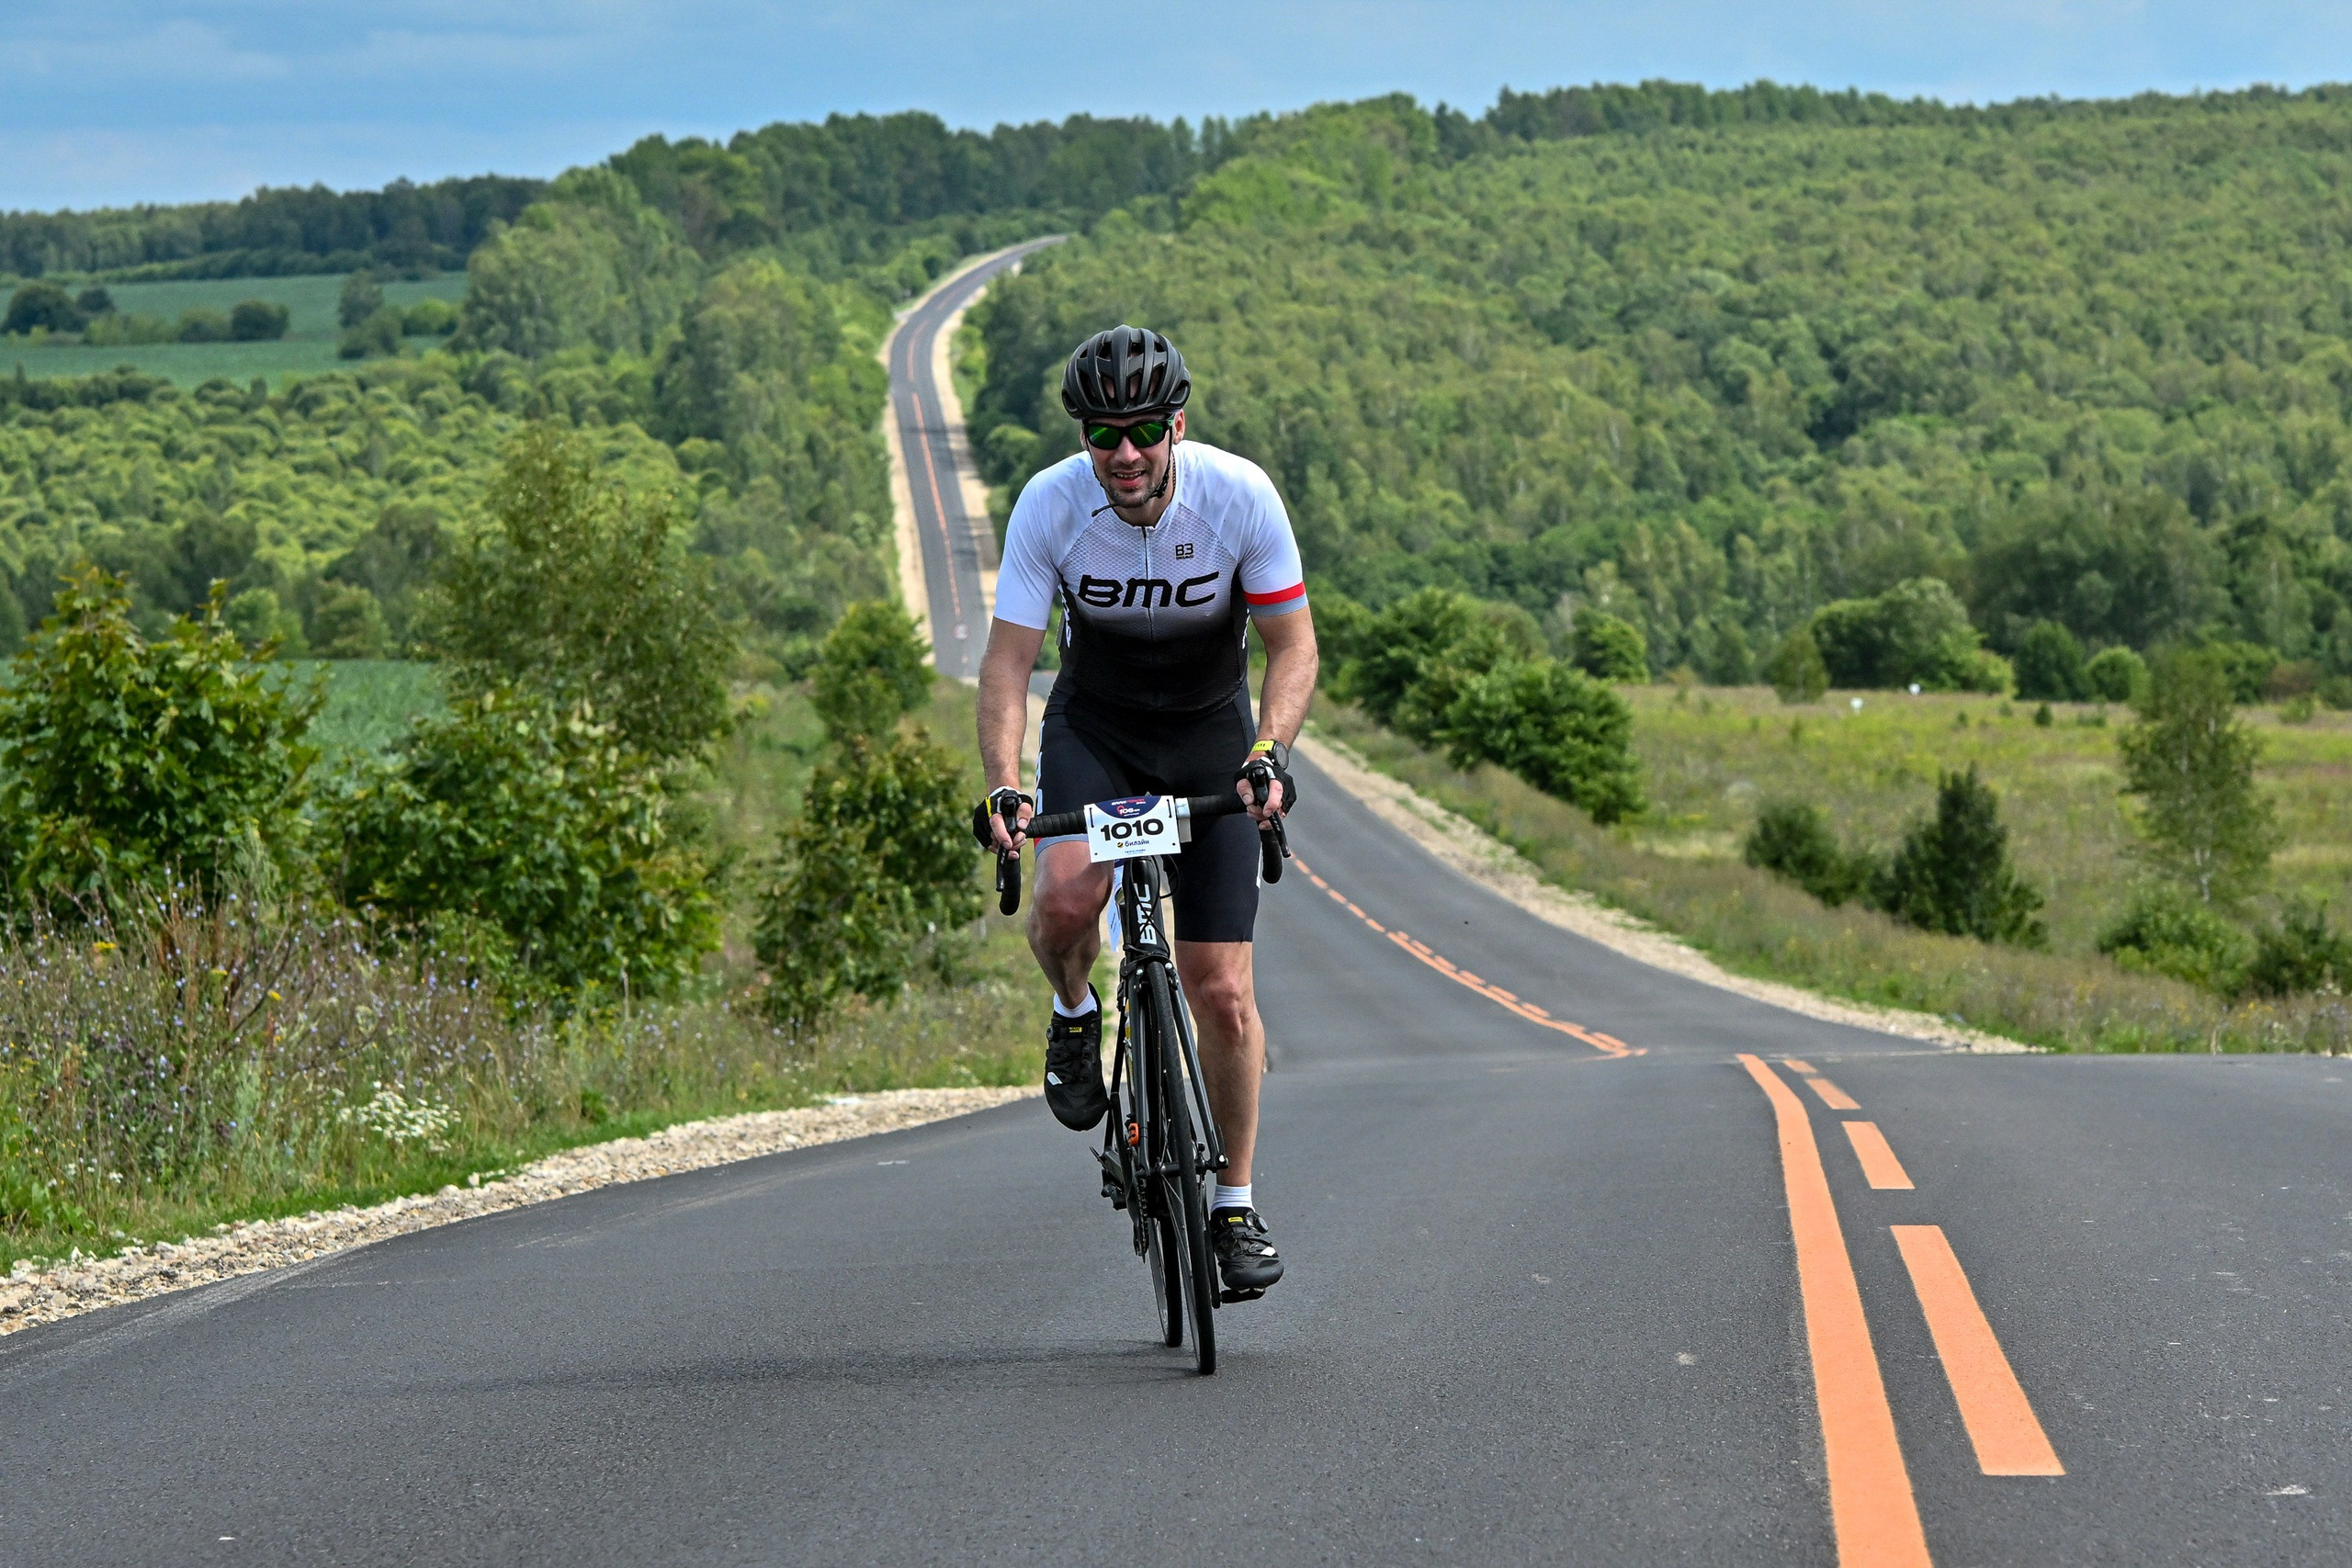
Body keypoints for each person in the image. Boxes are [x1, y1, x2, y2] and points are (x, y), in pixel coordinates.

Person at [975, 324, 1316, 1299]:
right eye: (1102, 434)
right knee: (1068, 902)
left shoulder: (1239, 496)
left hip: (1212, 733)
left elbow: (1292, 647)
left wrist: (1268, 754)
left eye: (1142, 431)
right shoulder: (1051, 505)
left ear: (1176, 424)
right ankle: (1074, 1012)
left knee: (1222, 991)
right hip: (1102, 732)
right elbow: (1008, 664)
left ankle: (1232, 1208)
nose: (1123, 454)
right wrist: (1008, 782)